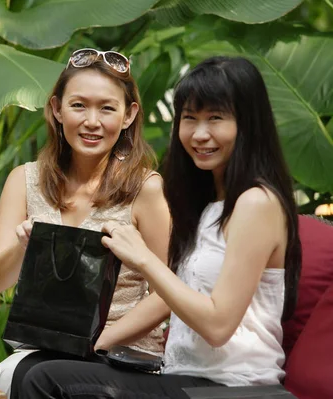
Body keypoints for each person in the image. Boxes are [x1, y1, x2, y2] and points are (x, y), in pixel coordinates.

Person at [17, 55, 302, 398]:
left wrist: (143, 259)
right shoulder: (208, 205)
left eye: (216, 118)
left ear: (248, 123)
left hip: (235, 388)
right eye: (189, 118)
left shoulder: (257, 203)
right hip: (183, 377)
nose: (200, 133)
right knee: (34, 368)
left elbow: (218, 326)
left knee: (44, 381)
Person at [0, 48, 172, 397]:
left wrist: (96, 341)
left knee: (23, 379)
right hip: (44, 350)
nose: (92, 121)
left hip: (121, 355)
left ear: (129, 115)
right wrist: (25, 247)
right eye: (79, 105)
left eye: (107, 108)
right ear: (56, 109)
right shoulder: (24, 181)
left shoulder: (146, 189)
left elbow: (166, 295)